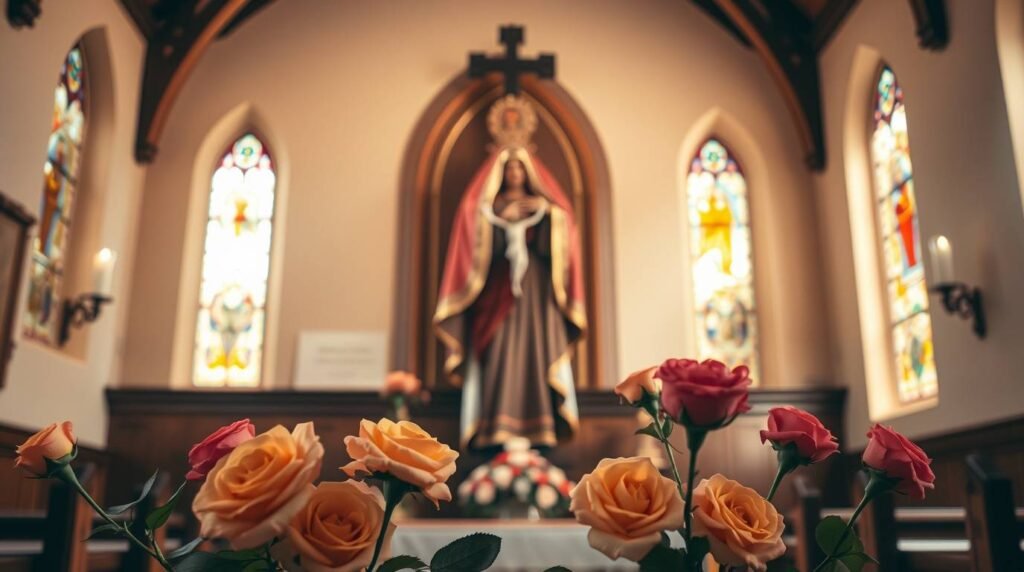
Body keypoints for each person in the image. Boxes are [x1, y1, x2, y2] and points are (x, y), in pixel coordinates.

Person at [435, 147, 586, 451]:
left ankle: (541, 423)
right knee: (498, 352)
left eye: (519, 168)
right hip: (498, 290)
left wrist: (545, 215)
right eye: (509, 168)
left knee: (538, 348)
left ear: (528, 173)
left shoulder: (542, 204)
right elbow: (476, 247)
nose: (514, 173)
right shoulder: (486, 208)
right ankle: (494, 424)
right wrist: (500, 220)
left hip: (536, 294)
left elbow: (560, 239)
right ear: (500, 173)